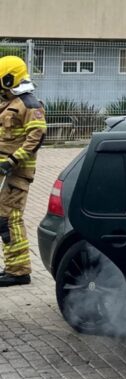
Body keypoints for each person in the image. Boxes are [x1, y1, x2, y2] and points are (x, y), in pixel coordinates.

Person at [0, 56, 46, 287]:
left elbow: (37, 136)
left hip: (15, 173)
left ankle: (19, 272)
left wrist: (12, 160)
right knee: (4, 219)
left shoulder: (29, 104)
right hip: (5, 173)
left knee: (10, 220)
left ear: (9, 78)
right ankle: (12, 267)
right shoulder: (10, 102)